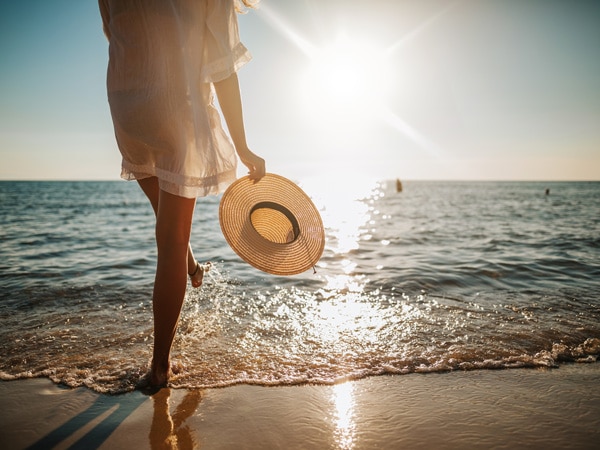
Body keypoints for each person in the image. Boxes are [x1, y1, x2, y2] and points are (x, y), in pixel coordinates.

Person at [98, 0, 265, 388]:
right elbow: (223, 68)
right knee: (171, 240)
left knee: (166, 219)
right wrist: (242, 145)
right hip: (175, 105)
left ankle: (190, 264)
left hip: (126, 104)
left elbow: (114, 33)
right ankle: (160, 367)